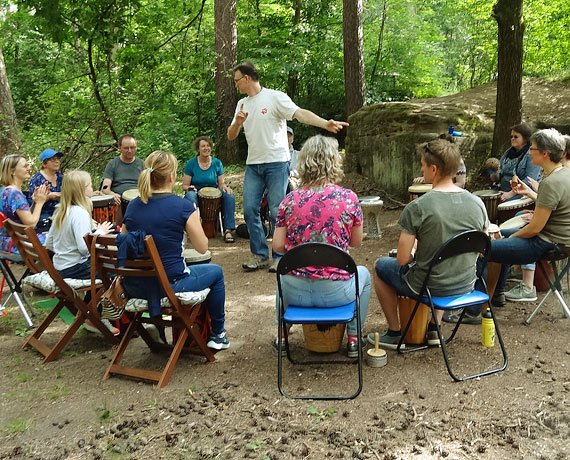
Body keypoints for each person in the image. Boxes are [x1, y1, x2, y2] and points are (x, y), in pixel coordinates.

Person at [227, 61, 349, 273]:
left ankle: (280, 255)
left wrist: (325, 124)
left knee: (277, 211)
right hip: (253, 165)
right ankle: (259, 255)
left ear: (246, 78)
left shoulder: (275, 97)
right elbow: (230, 136)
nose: (235, 85)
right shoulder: (241, 104)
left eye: (237, 80)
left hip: (277, 162)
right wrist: (237, 123)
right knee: (249, 210)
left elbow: (300, 114)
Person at [369, 139, 488, 349]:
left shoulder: (418, 207)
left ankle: (395, 332)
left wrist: (417, 251)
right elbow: (481, 249)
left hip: (429, 286)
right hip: (466, 285)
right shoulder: (477, 203)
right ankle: (434, 329)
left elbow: (403, 259)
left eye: (422, 165)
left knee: (380, 267)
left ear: (433, 169)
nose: (421, 169)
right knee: (442, 259)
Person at [272, 135, 371, 358]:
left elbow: (278, 246)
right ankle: (354, 338)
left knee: (282, 273)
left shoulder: (289, 200)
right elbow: (356, 242)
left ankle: (282, 336)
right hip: (337, 292)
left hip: (293, 293)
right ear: (334, 161)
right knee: (364, 275)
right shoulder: (349, 198)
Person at [122, 150, 230, 350]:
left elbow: (124, 240)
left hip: (135, 285)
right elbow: (202, 247)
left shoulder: (132, 206)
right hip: (168, 285)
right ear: (171, 177)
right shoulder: (182, 206)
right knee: (216, 272)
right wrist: (195, 218)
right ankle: (218, 334)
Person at [479, 128, 570, 314]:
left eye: (533, 149)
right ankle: (496, 294)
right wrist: (528, 192)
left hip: (547, 244)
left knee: (484, 247)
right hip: (558, 240)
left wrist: (506, 240)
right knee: (499, 235)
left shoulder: (550, 183)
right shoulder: (564, 175)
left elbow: (534, 229)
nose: (529, 152)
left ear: (545, 154)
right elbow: (556, 208)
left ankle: (473, 308)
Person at [45, 170, 117, 335]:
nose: (92, 188)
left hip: (61, 267)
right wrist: (100, 232)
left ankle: (86, 311)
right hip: (76, 268)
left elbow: (49, 243)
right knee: (116, 271)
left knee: (106, 268)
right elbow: (85, 248)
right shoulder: (79, 214)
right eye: (90, 185)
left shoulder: (61, 211)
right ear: (82, 190)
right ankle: (95, 315)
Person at [182, 136, 236, 243]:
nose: (206, 148)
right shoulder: (191, 164)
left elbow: (221, 184)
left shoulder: (217, 163)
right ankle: (195, 228)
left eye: (208, 146)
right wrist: (189, 188)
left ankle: (228, 230)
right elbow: (184, 185)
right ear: (198, 149)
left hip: (214, 193)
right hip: (196, 193)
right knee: (189, 195)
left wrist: (224, 187)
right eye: (203, 146)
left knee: (229, 196)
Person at [0, 155, 50, 253]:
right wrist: (40, 203)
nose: (29, 168)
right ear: (12, 171)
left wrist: (35, 202)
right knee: (59, 238)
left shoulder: (4, 191)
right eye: (25, 166)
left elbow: (20, 218)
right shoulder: (15, 194)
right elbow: (30, 224)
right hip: (19, 243)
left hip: (5, 241)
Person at [491, 123, 542, 202]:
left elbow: (530, 180)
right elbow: (498, 176)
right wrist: (492, 171)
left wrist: (510, 194)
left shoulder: (531, 154)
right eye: (511, 136)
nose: (512, 139)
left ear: (525, 138)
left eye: (516, 137)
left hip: (522, 193)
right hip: (503, 190)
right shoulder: (508, 153)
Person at [101, 134, 144, 223]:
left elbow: (149, 184)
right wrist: (111, 194)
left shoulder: (142, 164)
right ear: (119, 148)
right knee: (117, 202)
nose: (129, 151)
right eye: (126, 148)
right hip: (119, 199)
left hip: (138, 198)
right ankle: (119, 230)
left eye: (132, 147)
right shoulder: (113, 164)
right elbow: (105, 188)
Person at [27, 149, 64, 226]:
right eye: (53, 159)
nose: (57, 161)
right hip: (43, 214)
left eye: (58, 159)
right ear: (44, 164)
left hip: (60, 211)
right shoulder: (37, 180)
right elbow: (32, 204)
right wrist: (48, 197)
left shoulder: (59, 176)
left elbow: (69, 190)